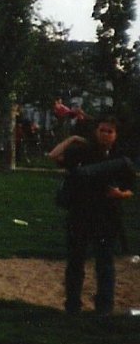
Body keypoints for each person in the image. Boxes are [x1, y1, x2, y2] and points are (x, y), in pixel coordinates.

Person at [50, 117, 133, 316]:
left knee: (105, 262)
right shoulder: (83, 152)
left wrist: (120, 194)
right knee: (76, 261)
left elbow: (130, 188)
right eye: (102, 130)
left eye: (110, 131)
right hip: (81, 213)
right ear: (96, 132)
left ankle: (104, 307)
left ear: (115, 135)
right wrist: (72, 139)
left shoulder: (120, 158)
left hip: (107, 216)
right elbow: (54, 156)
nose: (105, 134)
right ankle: (72, 305)